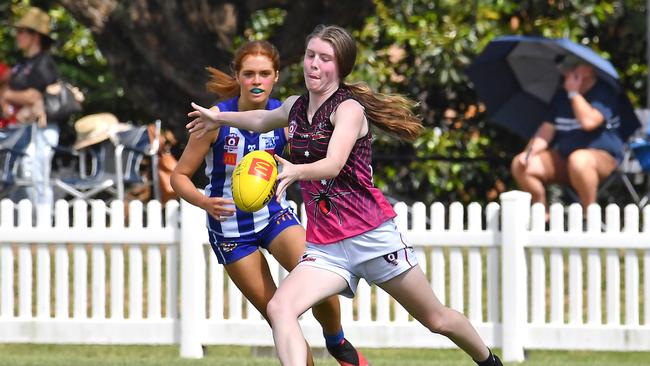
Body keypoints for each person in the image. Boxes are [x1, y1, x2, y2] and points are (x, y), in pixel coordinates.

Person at [187, 25, 503, 366]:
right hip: (327, 249)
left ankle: (488, 361)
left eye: (325, 59)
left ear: (341, 67)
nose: (313, 65)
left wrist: (295, 171)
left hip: (371, 237)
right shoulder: (294, 106)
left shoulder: (349, 110)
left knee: (436, 319)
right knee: (280, 308)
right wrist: (217, 117)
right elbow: (262, 118)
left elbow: (334, 163)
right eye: (310, 56)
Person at [170, 40, 369, 366]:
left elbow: (322, 158)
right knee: (280, 315)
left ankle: (337, 343)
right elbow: (178, 176)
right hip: (231, 228)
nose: (257, 80)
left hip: (275, 215)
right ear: (238, 76)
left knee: (321, 277)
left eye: (264, 73)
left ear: (276, 76)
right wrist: (204, 202)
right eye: (249, 74)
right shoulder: (215, 120)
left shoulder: (287, 116)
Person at [511, 55, 624, 212]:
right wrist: (529, 153)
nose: (567, 72)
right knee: (520, 165)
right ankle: (542, 216)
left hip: (601, 161)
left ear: (589, 69)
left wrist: (574, 94)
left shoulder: (604, 93)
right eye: (565, 68)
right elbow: (545, 132)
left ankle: (588, 217)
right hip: (565, 160)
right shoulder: (560, 96)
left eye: (573, 67)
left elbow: (588, 122)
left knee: (579, 160)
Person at [3, 7, 60, 206]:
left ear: (35, 36)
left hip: (40, 130)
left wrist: (7, 95)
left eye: (21, 31)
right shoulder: (21, 63)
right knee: (16, 175)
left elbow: (35, 95)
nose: (17, 36)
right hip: (20, 129)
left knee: (35, 175)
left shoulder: (44, 63)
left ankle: (43, 226)